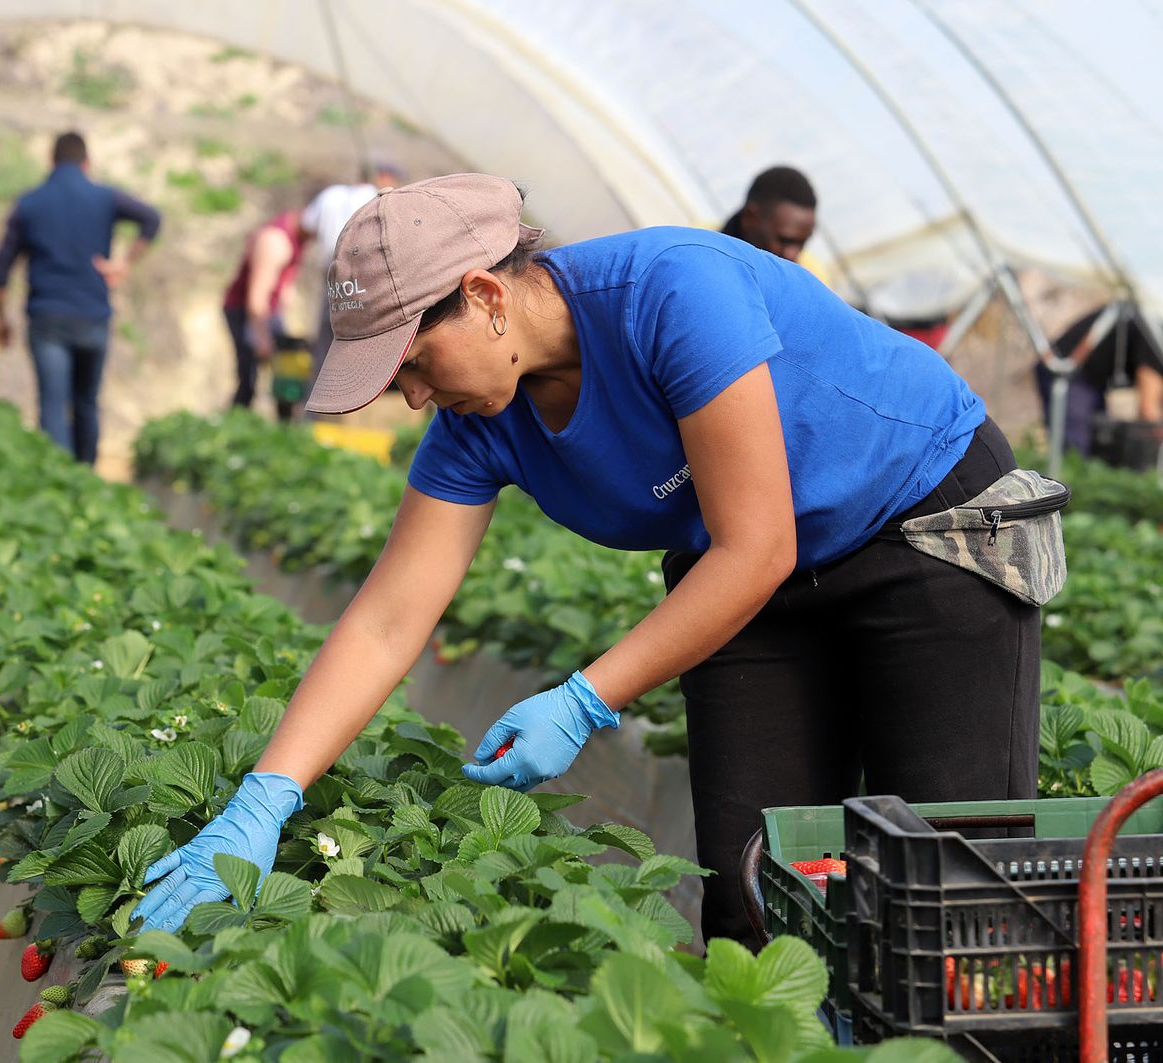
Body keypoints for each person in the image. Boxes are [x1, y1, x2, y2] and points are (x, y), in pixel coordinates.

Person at [135, 174, 1041, 948]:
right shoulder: (473, 427)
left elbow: (756, 543)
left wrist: (584, 698)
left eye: (411, 360)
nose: (410, 395)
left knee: (944, 880)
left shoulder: (673, 293)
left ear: (486, 297)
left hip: (923, 523)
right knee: (752, 891)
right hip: (749, 582)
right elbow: (385, 620)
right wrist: (260, 803)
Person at [0, 131, 161, 464]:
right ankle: (87, 481)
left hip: (48, 317)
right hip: (93, 316)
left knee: (53, 405)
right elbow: (152, 218)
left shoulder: (30, 203)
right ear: (87, 163)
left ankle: (60, 486)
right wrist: (124, 263)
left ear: (51, 161)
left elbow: (1, 270)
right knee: (86, 403)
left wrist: (1, 318)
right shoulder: (104, 197)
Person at [300, 162, 406, 407]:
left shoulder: (330, 195)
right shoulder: (379, 201)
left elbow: (306, 227)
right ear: (384, 176)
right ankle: (353, 411)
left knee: (325, 348)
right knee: (360, 350)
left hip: (331, 278)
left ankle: (315, 412)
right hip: (365, 281)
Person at [1036, 304, 1163, 455]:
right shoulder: (1155, 336)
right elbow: (1148, 411)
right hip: (1068, 370)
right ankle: (1069, 473)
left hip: (1090, 380)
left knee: (1100, 442)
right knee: (1075, 448)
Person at [223, 208, 310, 422]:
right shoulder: (274, 241)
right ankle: (235, 425)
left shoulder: (300, 237)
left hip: (269, 311)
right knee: (249, 375)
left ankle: (283, 427)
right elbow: (256, 299)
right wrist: (261, 337)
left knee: (285, 374)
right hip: (246, 311)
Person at [721, 166, 816, 264]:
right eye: (785, 241)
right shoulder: (708, 262)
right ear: (749, 217)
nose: (792, 255)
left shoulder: (811, 272)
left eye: (802, 243)